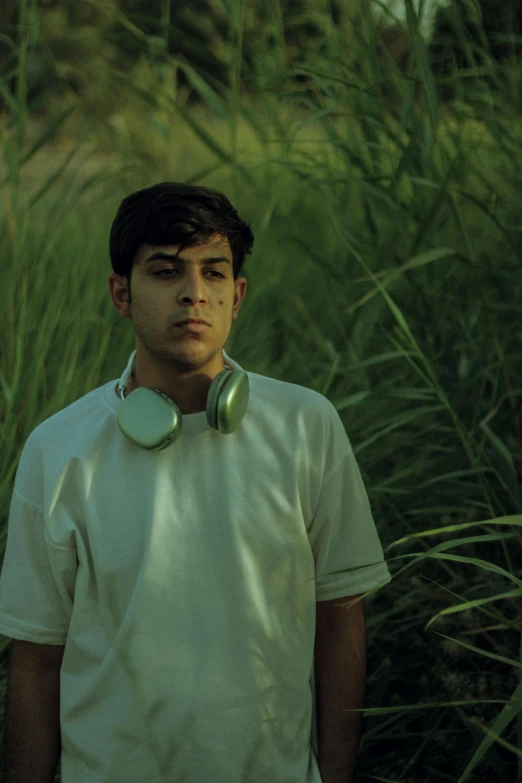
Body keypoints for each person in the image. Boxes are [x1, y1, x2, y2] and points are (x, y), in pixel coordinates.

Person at [0, 181, 392, 783]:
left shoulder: (307, 426)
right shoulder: (59, 449)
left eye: (214, 273)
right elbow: (35, 660)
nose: (193, 294)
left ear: (237, 296)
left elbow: (340, 617)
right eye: (165, 271)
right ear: (121, 294)